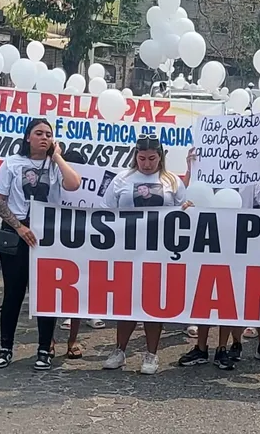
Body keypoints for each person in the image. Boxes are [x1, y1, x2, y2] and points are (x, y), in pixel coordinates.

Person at [179, 144, 260, 370]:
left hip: (237, 245)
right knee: (204, 295)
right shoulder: (204, 174)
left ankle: (222, 348)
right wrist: (190, 168)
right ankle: (200, 347)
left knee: (228, 298)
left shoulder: (252, 178)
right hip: (206, 241)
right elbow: (184, 197)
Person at [0, 119, 81, 371]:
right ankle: (5, 348)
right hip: (18, 231)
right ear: (27, 136)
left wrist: (58, 157)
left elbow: (74, 184)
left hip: (47, 236)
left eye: (49, 134)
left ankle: (44, 349)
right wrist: (18, 226)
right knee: (13, 294)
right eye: (38, 133)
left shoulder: (54, 166)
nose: (44, 137)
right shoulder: (12, 163)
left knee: (46, 294)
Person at [101, 133, 186, 375]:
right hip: (127, 250)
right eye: (141, 158)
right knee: (126, 303)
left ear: (160, 157)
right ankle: (119, 350)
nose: (146, 164)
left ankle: (151, 354)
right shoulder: (121, 179)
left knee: (152, 302)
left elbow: (185, 213)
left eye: (151, 158)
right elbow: (106, 212)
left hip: (160, 251)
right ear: (134, 157)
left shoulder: (173, 181)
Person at [57, 149, 105, 359]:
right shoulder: (52, 179)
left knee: (77, 290)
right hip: (56, 243)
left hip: (82, 243)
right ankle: (49, 342)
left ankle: (72, 339)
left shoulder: (94, 186)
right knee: (52, 293)